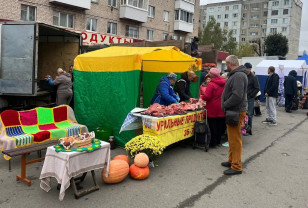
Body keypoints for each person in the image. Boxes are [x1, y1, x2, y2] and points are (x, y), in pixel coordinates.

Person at [221, 55, 248, 175]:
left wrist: (225, 104)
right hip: (234, 110)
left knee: (235, 139)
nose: (226, 66)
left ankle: (236, 166)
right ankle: (232, 160)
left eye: (226, 64)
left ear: (230, 63)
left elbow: (237, 95)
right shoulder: (238, 74)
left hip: (235, 110)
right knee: (232, 137)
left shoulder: (238, 75)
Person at [201, 68, 226, 147]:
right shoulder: (224, 83)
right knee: (219, 126)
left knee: (212, 126)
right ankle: (218, 141)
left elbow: (207, 96)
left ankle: (213, 143)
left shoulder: (211, 84)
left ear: (211, 75)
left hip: (212, 108)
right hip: (222, 107)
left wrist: (202, 97)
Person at [244, 63, 260, 135]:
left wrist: (251, 95)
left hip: (250, 98)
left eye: (249, 69)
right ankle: (243, 128)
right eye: (247, 68)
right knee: (243, 114)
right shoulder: (242, 75)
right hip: (243, 97)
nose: (248, 70)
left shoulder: (253, 77)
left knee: (249, 114)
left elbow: (257, 88)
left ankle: (249, 129)